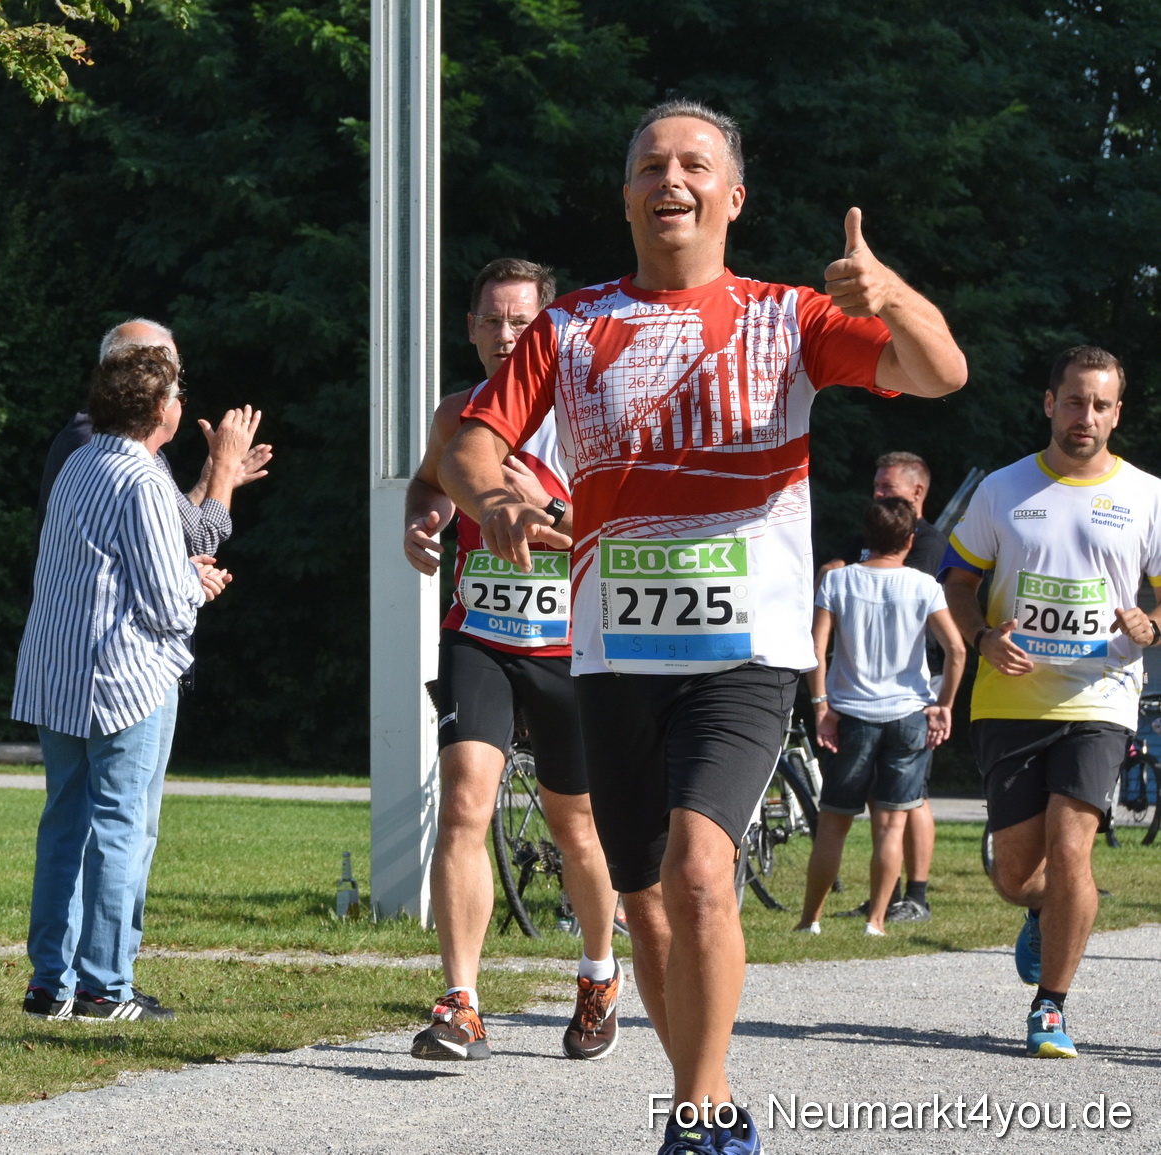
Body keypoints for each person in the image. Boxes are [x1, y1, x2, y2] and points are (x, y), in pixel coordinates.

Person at [439, 100, 966, 1155]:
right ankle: (710, 1103)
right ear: (627, 194)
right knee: (643, 902)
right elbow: (467, 441)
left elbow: (939, 371)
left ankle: (694, 1115)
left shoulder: (787, 317)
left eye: (693, 164)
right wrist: (490, 498)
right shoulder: (569, 326)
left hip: (745, 652)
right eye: (649, 165)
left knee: (698, 872)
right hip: (610, 652)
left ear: (732, 196)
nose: (669, 180)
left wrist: (892, 295)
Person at [403, 258, 619, 1063]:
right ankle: (461, 1001)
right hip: (480, 636)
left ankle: (599, 972)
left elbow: (624, 533)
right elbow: (429, 484)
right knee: (464, 803)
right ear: (469, 328)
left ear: (548, 330)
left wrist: (548, 508)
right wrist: (421, 520)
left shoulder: (589, 418)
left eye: (521, 322)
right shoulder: (456, 414)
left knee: (575, 826)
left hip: (570, 647)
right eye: (491, 321)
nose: (504, 336)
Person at [941, 345, 1161, 1059]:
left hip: (1102, 694)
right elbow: (958, 582)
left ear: (1117, 414)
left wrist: (1151, 625)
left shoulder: (1148, 495)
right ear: (1049, 403)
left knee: (1073, 846)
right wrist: (981, 639)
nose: (1085, 416)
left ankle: (1051, 1006)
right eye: (1074, 401)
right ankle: (1040, 909)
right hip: (1010, 700)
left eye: (1100, 405)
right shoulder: (1003, 489)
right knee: (1015, 875)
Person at [13, 345, 231, 1023]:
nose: (181, 402)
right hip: (124, 678)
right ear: (161, 409)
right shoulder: (143, 479)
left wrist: (181, 574)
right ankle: (105, 986)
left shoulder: (80, 462)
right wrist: (197, 582)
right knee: (120, 827)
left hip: (57, 673)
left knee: (64, 825)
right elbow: (166, 604)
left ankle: (50, 982)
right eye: (177, 393)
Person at [795, 497, 964, 937]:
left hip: (850, 715)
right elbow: (956, 650)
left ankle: (810, 920)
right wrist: (943, 705)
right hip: (908, 714)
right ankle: (876, 922)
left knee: (833, 824)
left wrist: (821, 706)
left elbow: (816, 648)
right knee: (891, 825)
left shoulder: (838, 581)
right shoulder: (924, 585)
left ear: (865, 538)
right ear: (910, 541)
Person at [817, 451, 946, 922]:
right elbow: (832, 568)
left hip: (913, 688)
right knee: (882, 800)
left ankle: (917, 895)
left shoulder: (927, 542)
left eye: (887, 487)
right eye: (876, 486)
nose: (877, 494)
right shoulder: (873, 532)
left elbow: (897, 585)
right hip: (866, 692)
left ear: (917, 492)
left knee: (913, 797)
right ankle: (884, 899)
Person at [35, 318, 272, 556]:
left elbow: (172, 527)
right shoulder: (100, 444)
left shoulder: (117, 438)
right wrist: (223, 468)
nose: (175, 382)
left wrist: (210, 481)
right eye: (170, 372)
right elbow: (195, 543)